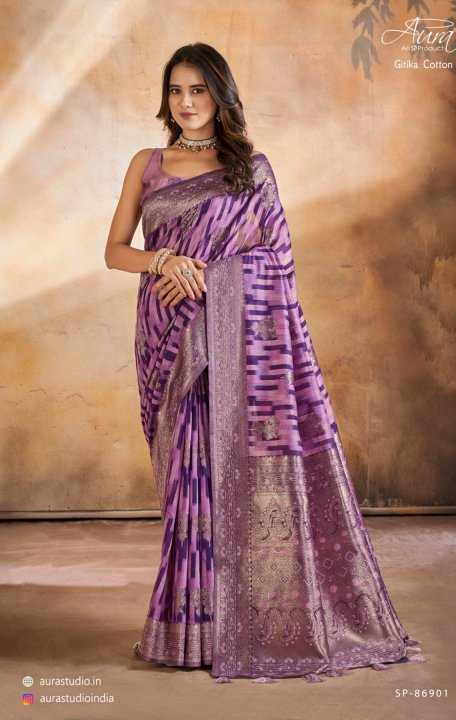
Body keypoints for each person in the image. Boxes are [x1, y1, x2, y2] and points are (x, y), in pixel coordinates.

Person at [104, 42, 425, 683]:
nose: (186, 102)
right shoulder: (146, 164)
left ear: (220, 94)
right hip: (169, 341)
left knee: (229, 476)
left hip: (235, 344)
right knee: (185, 484)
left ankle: (239, 624)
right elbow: (115, 251)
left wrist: (210, 277)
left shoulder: (250, 169)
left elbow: (277, 261)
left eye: (198, 89)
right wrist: (163, 260)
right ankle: (189, 631)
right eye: (175, 91)